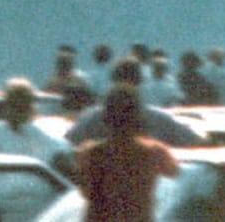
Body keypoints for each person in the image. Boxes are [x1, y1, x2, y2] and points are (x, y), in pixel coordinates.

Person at [75, 85, 180, 222]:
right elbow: (174, 171)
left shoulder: (90, 153)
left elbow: (84, 192)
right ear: (137, 117)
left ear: (107, 119)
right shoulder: (154, 152)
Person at [66, 59, 201, 147]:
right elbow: (194, 142)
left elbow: (67, 145)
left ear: (113, 80)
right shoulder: (160, 119)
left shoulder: (91, 118)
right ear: (141, 81)